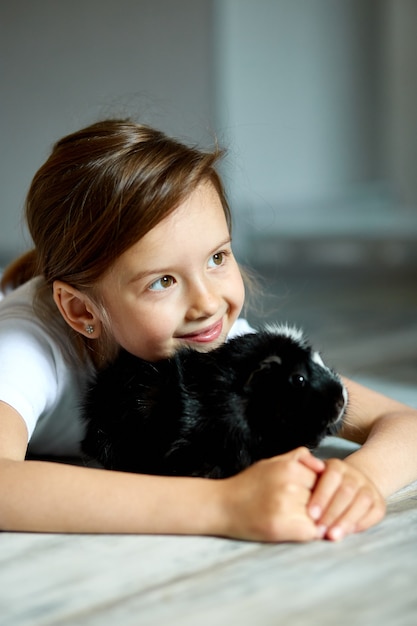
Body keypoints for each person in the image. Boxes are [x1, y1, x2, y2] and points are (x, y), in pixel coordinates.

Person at [0, 119, 416, 543]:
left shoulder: (213, 338)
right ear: (81, 309)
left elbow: (403, 420)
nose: (209, 304)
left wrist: (358, 479)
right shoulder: (24, 347)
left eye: (217, 257)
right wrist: (224, 505)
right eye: (163, 281)